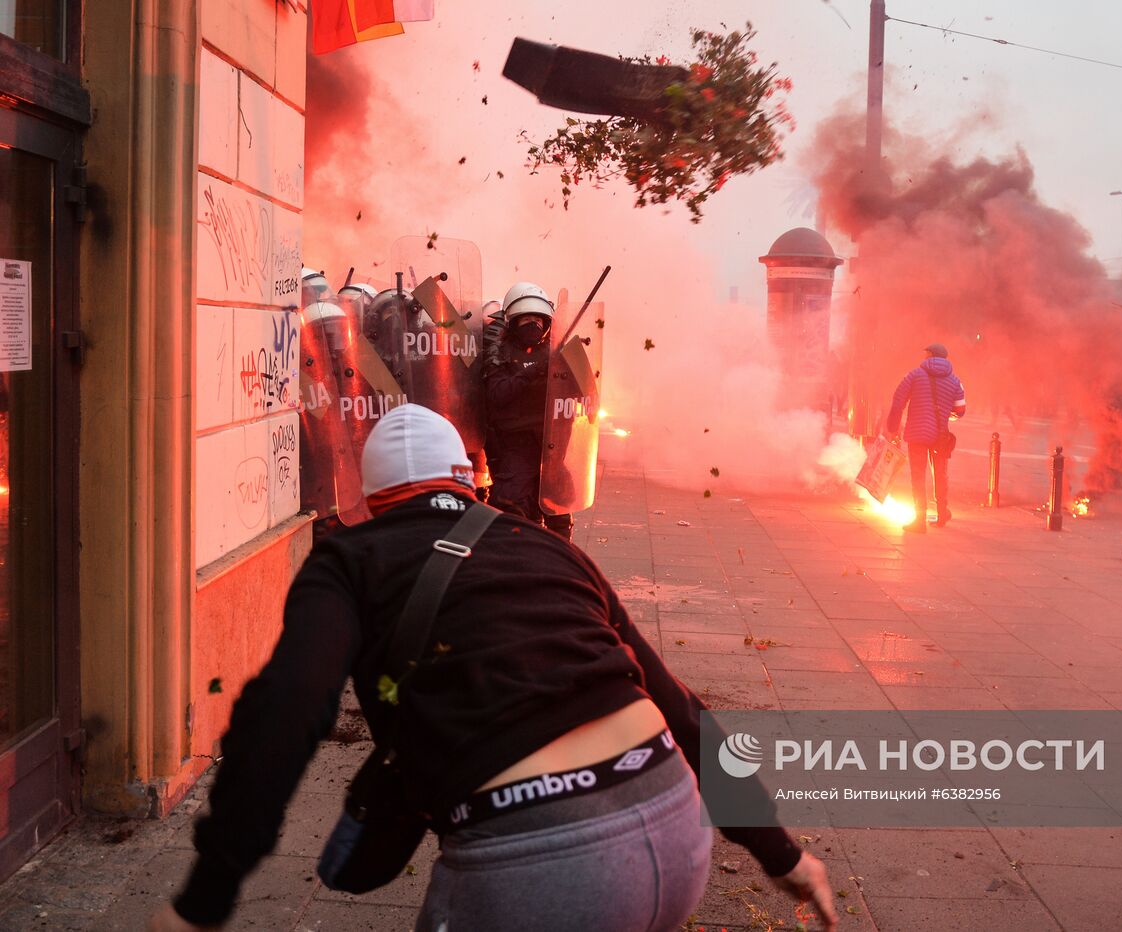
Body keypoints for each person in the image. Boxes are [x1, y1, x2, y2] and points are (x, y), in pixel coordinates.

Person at [149, 404, 837, 932]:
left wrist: (204, 901)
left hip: (535, 866)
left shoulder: (349, 560)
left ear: (371, 498)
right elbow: (680, 709)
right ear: (467, 480)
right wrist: (781, 853)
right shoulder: (549, 547)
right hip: (675, 825)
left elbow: (286, 710)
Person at [483, 281, 575, 540]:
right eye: (526, 320)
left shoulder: (558, 351)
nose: (533, 325)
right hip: (517, 444)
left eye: (538, 320)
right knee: (510, 508)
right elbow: (497, 394)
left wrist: (571, 369)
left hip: (552, 444)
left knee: (558, 508)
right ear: (513, 322)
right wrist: (532, 372)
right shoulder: (500, 353)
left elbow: (585, 391)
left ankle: (561, 556)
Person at [886, 343, 966, 532]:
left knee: (918, 475)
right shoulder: (955, 381)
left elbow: (898, 400)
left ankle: (920, 519)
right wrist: (944, 414)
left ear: (930, 355)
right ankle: (942, 513)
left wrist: (892, 427)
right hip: (941, 435)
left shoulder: (914, 375)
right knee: (940, 474)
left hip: (918, 433)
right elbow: (960, 411)